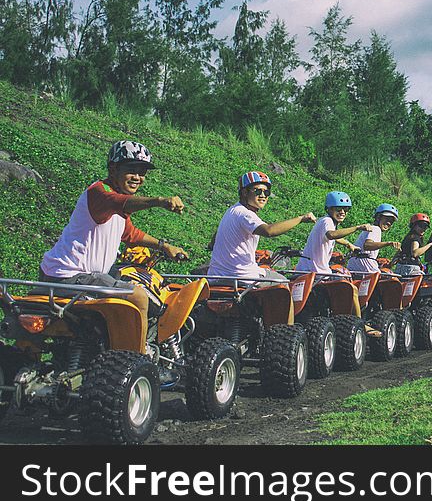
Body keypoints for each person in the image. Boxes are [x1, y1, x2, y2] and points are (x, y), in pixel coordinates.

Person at [38, 140, 189, 353]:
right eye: (131, 170)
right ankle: (137, 357)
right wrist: (160, 201)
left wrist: (164, 246)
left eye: (142, 172)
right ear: (113, 168)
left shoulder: (115, 203)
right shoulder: (100, 192)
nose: (138, 177)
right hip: (73, 276)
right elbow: (121, 203)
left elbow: (130, 233)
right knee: (138, 297)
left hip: (62, 273)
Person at [208, 171, 316, 290]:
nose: (263, 195)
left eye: (267, 192)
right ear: (244, 192)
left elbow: (214, 241)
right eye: (258, 191)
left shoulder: (231, 211)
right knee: (284, 283)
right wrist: (300, 218)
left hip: (216, 275)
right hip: (242, 276)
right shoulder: (245, 214)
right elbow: (269, 231)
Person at [295, 191, 372, 274]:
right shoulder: (327, 221)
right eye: (338, 209)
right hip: (314, 272)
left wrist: (349, 244)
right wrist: (357, 228)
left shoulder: (325, 221)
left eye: (345, 209)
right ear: (329, 209)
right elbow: (331, 235)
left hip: (310, 270)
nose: (342, 212)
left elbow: (334, 237)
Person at [347, 204, 402, 274]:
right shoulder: (376, 229)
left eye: (391, 221)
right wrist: (388, 243)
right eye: (387, 219)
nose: (389, 223)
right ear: (378, 217)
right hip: (365, 265)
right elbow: (367, 245)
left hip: (355, 265)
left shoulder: (372, 228)